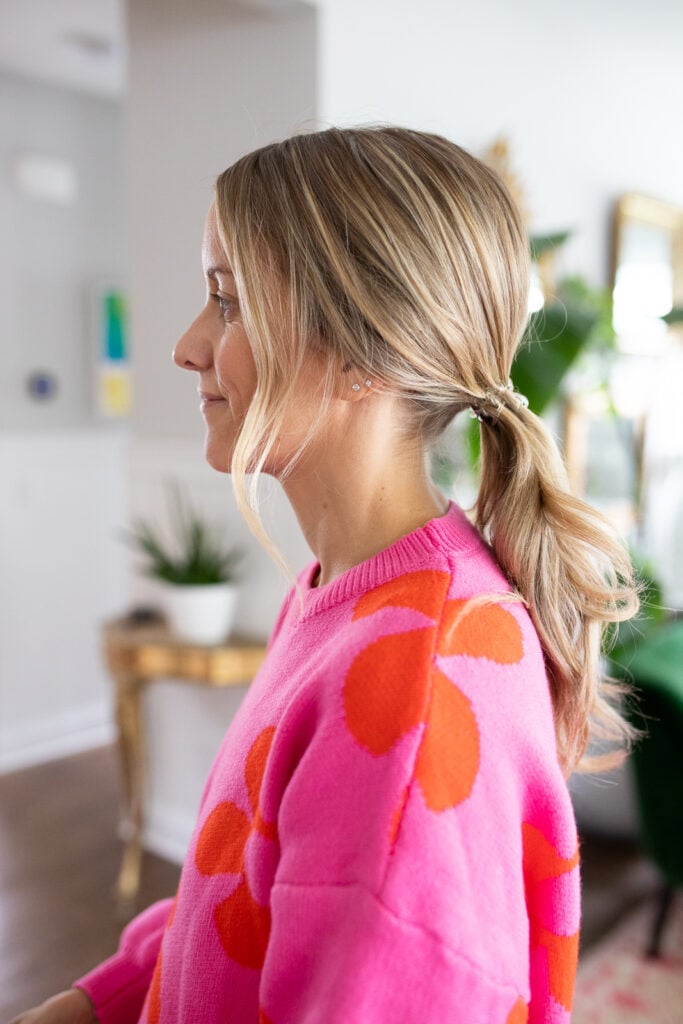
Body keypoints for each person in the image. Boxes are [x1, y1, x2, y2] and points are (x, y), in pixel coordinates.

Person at [12, 126, 638, 1024]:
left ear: (361, 355)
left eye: (226, 302)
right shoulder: (344, 596)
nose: (189, 346)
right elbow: (228, 896)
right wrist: (87, 1001)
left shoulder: (408, 692)